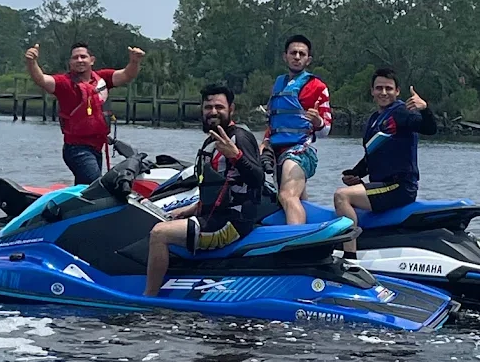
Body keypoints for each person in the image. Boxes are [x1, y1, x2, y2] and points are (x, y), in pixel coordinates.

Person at [145, 85, 264, 297]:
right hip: (214, 216)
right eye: (208, 107)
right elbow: (218, 189)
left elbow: (258, 179)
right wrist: (189, 210)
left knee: (159, 234)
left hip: (230, 223)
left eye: (219, 106)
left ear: (231, 109)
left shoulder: (239, 138)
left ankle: (149, 297)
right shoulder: (211, 140)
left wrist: (235, 155)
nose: (213, 111)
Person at [333, 67, 436, 254]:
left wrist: (425, 109)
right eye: (379, 88)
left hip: (399, 187)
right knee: (345, 193)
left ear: (397, 92)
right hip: (383, 185)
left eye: (388, 88)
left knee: (342, 196)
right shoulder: (375, 119)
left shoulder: (401, 113)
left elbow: (429, 128)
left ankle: (349, 257)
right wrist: (355, 173)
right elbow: (372, 155)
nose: (383, 92)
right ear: (372, 91)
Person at [24, 41, 146, 185]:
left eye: (83, 57)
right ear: (70, 62)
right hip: (76, 149)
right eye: (75, 58)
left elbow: (127, 75)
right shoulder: (64, 83)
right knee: (94, 185)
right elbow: (42, 79)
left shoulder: (103, 79)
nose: (79, 60)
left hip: (97, 147)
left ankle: (74, 203)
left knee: (86, 188)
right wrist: (32, 62)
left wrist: (134, 61)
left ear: (92, 60)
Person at [261, 35, 331, 226]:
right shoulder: (278, 84)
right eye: (293, 53)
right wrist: (265, 143)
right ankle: (314, 233)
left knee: (287, 195)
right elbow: (273, 123)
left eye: (302, 54)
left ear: (308, 59)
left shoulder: (317, 87)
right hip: (277, 151)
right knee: (298, 199)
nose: (297, 57)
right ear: (285, 56)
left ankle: (296, 244)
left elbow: (326, 131)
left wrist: (317, 122)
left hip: (301, 152)